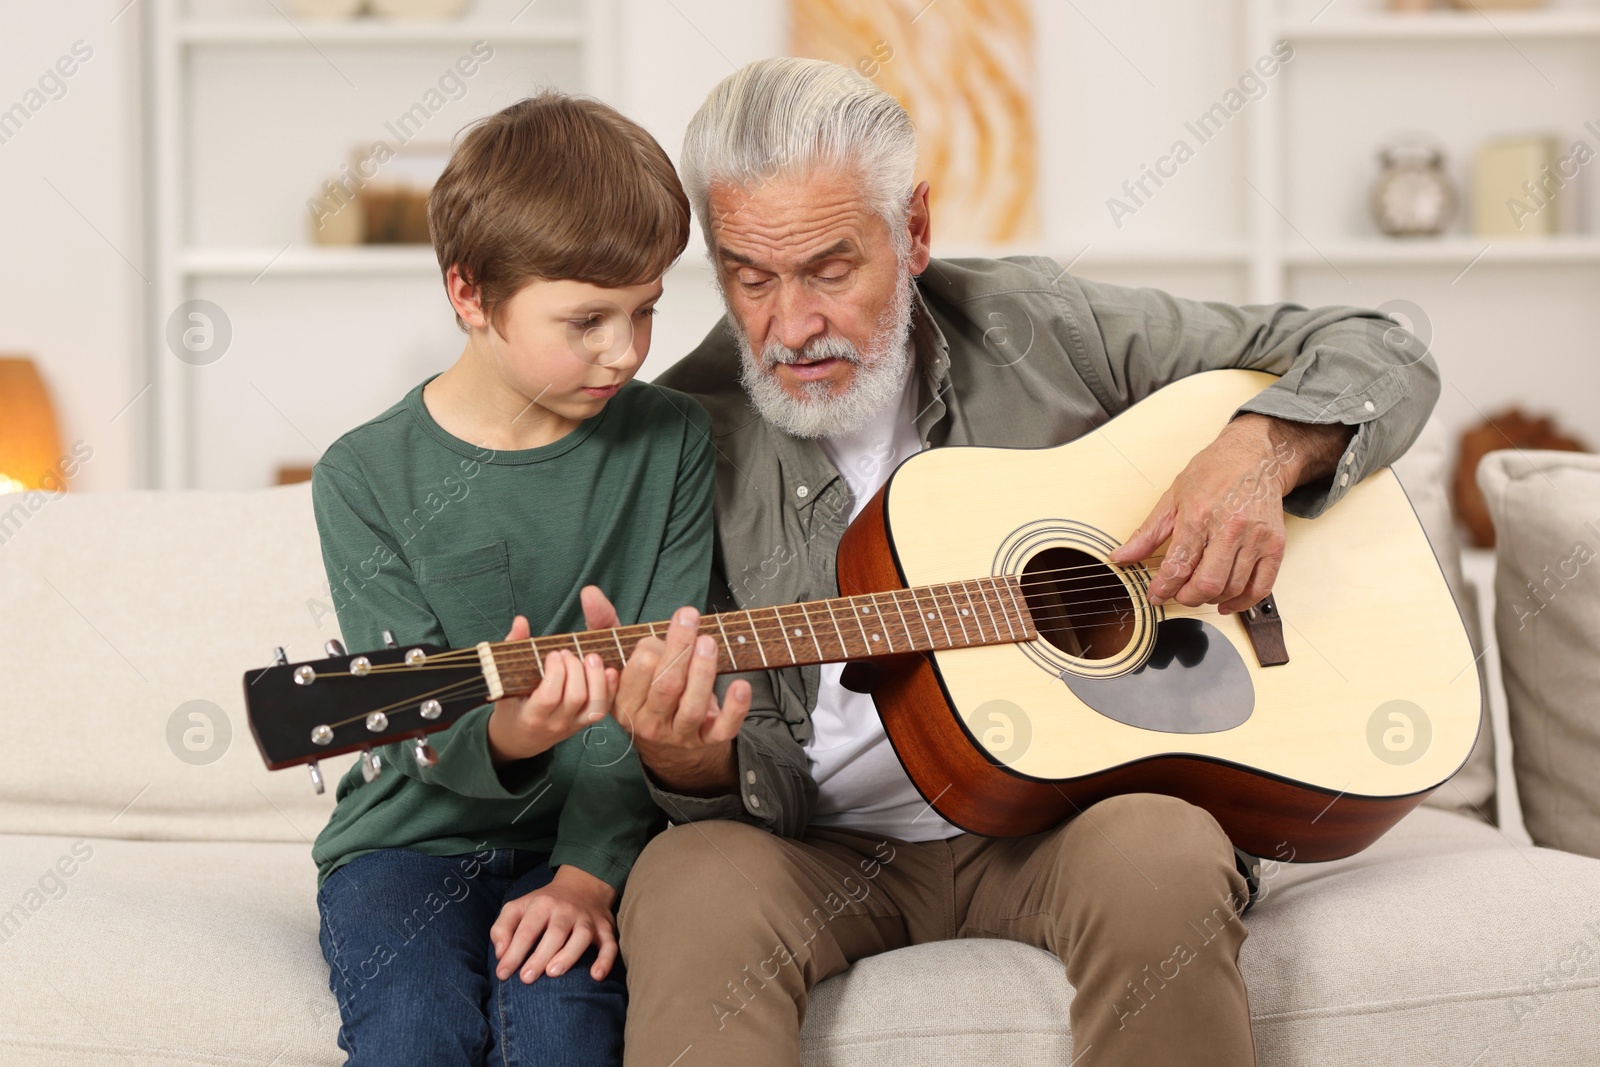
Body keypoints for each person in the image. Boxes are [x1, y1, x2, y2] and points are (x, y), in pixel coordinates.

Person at [582, 58, 1440, 1067]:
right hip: (815, 845)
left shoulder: (1041, 325)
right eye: (749, 276)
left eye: (828, 268)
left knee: (1163, 856)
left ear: (912, 232)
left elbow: (1379, 347)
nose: (789, 326)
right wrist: (688, 762)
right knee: (685, 882)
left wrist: (1257, 453)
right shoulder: (679, 437)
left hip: (1060, 819)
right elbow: (716, 781)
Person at [307, 90, 712, 1067]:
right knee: (413, 1034)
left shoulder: (672, 442)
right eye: (586, 319)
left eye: (646, 310)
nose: (625, 350)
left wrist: (586, 871)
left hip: (588, 842)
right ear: (469, 294)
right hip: (405, 844)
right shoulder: (362, 476)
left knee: (562, 1037)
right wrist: (509, 732)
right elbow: (410, 731)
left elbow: (656, 695)